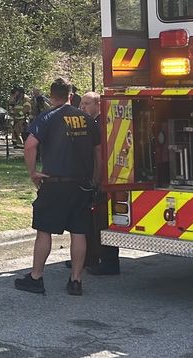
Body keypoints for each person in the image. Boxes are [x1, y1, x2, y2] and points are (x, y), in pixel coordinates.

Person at [14, 78, 101, 297]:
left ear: (52, 97)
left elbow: (30, 145)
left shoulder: (47, 117)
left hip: (54, 183)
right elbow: (98, 152)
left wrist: (33, 172)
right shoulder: (86, 119)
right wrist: (95, 179)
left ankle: (36, 277)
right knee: (79, 232)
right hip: (81, 184)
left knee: (44, 231)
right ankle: (76, 280)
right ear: (72, 96)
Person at [67, 91, 120, 276]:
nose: (82, 108)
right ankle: (86, 257)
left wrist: (98, 180)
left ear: (99, 104)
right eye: (81, 104)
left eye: (87, 104)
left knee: (104, 221)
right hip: (89, 178)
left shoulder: (103, 124)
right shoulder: (89, 124)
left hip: (104, 179)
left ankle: (109, 262)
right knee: (89, 222)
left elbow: (101, 154)